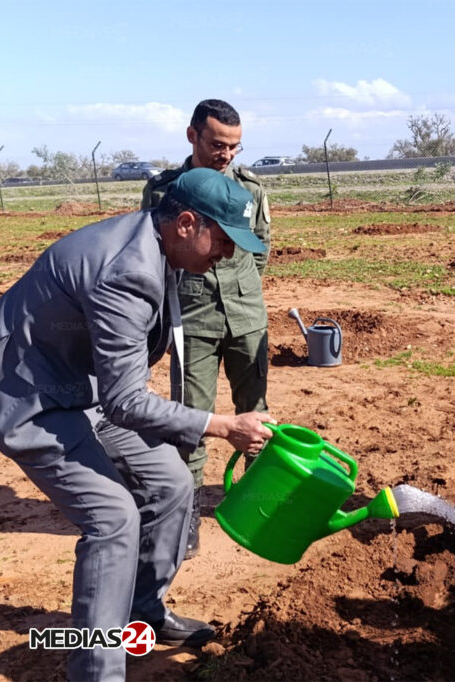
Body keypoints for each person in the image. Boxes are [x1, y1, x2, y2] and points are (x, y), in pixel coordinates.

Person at [0, 167, 275, 681]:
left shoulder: (162, 244)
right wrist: (221, 425)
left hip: (86, 386)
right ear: (187, 223)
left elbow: (121, 388)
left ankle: (142, 614)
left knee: (170, 482)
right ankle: (97, 671)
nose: (229, 255)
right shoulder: (126, 272)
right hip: (29, 390)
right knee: (112, 520)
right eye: (223, 240)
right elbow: (128, 400)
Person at [142, 99, 271, 559]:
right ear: (192, 135)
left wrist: (240, 287)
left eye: (235, 146)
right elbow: (157, 250)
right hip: (191, 318)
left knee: (256, 413)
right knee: (192, 418)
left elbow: (258, 250)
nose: (227, 155)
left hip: (247, 314)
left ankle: (258, 506)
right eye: (218, 144)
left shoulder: (252, 188)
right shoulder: (165, 191)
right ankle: (188, 514)